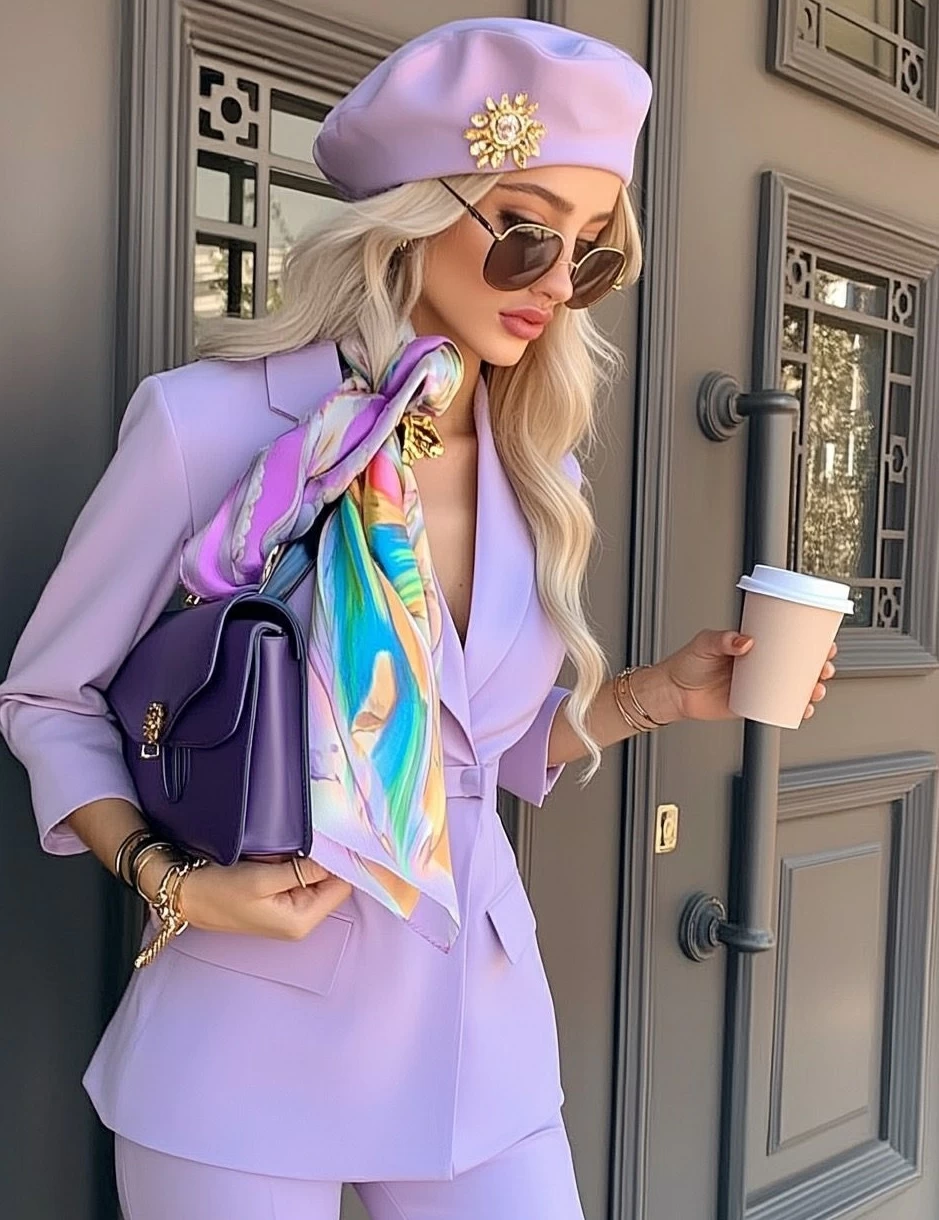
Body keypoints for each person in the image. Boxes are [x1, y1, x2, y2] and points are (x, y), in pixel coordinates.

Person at [0, 17, 835, 1220]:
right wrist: (169, 879)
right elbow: (48, 697)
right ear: (414, 209)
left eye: (592, 253)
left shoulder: (537, 466)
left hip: (476, 1029)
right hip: (247, 1024)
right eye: (528, 232)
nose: (558, 284)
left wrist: (659, 693)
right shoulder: (208, 425)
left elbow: (464, 749)